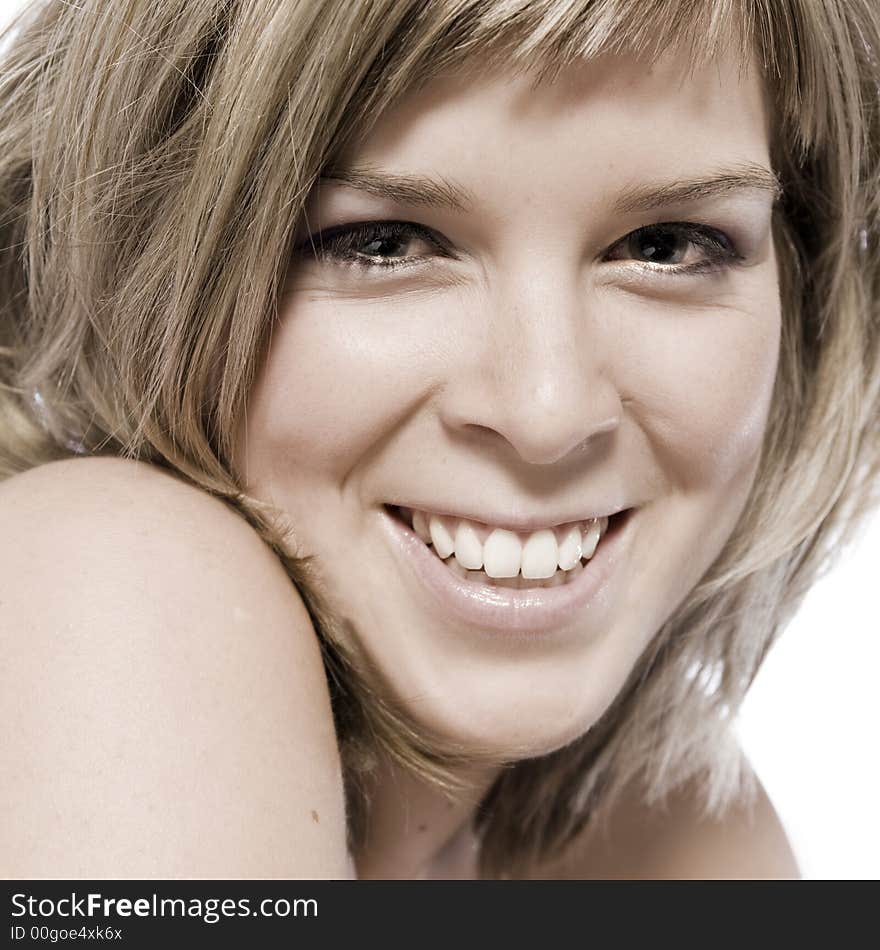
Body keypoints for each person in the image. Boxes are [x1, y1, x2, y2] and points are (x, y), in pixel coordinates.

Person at [0, 0, 877, 880]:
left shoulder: (674, 831)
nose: (546, 413)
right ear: (144, 266)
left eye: (665, 245)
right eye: (384, 244)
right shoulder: (105, 577)